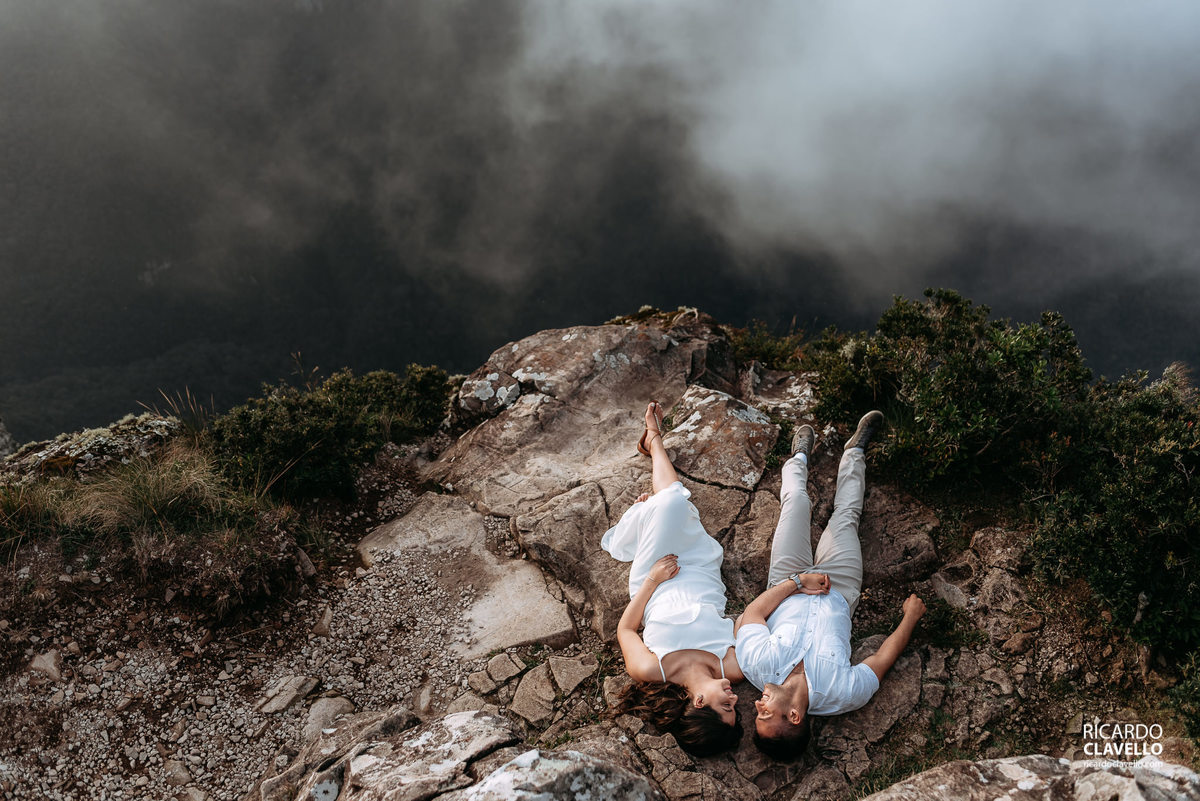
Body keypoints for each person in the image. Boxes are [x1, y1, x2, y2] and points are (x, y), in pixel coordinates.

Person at [734, 411, 927, 761]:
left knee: (796, 503)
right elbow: (882, 658)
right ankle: (854, 452)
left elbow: (753, 613)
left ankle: (799, 457)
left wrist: (796, 582)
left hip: (787, 579)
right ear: (794, 717)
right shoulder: (844, 695)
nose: (757, 705)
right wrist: (910, 618)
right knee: (846, 516)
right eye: (764, 714)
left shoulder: (755, 667)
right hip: (840, 586)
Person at [603, 401, 744, 757]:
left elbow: (626, 630)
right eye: (736, 707)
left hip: (656, 578)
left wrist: (652, 580)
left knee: (671, 505)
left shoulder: (651, 669)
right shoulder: (733, 667)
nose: (735, 699)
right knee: (670, 505)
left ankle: (653, 441)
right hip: (701, 567)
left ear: (699, 702)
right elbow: (751, 620)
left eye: (726, 706)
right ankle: (651, 464)